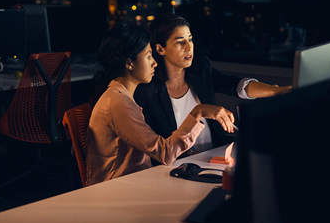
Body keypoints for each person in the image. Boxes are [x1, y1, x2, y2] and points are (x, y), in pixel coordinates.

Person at [85, 23, 234, 185]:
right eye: (149, 56)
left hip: (135, 183)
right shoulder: (118, 102)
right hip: (117, 189)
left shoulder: (122, 96)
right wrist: (198, 112)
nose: (155, 63)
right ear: (129, 63)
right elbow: (165, 153)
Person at [134, 14, 291, 153]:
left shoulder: (201, 69)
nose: (189, 47)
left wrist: (274, 91)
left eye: (190, 39)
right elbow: (155, 146)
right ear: (160, 49)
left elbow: (234, 84)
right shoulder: (147, 91)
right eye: (180, 42)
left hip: (215, 154)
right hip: (178, 166)